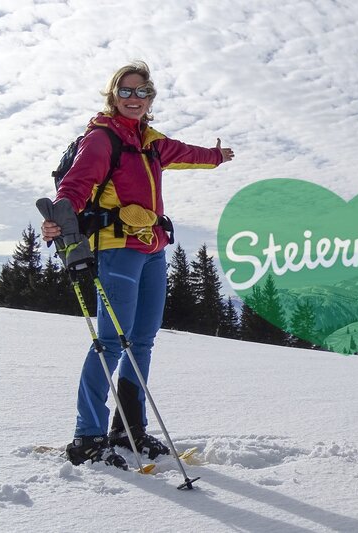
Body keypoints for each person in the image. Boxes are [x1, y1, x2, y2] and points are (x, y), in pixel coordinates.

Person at [41, 61, 235, 468]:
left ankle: (129, 428)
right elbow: (75, 186)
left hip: (153, 250)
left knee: (142, 342)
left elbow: (186, 152)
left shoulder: (152, 141)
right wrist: (63, 220)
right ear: (113, 96)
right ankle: (87, 435)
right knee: (111, 342)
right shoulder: (101, 139)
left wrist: (217, 155)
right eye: (126, 92)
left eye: (141, 92)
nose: (134, 99)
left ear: (151, 99)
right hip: (117, 249)